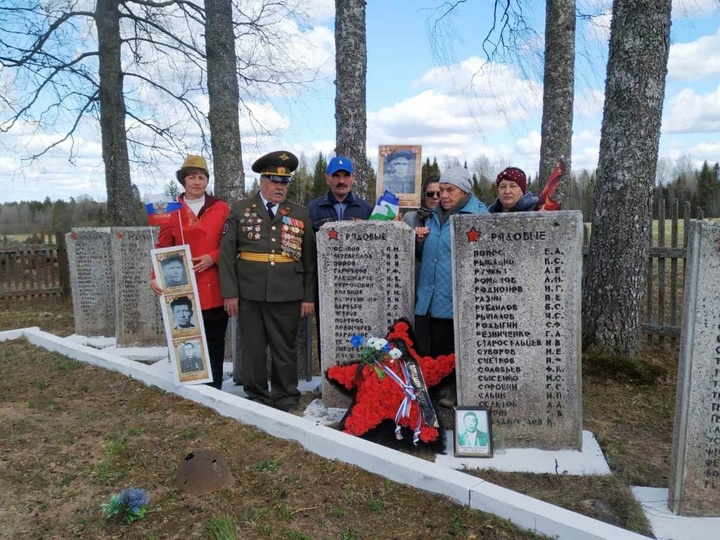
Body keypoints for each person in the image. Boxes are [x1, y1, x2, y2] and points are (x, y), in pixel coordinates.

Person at [219, 150, 316, 413]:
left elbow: (309, 259)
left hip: (287, 292)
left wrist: (308, 297)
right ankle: (257, 395)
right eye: (274, 181)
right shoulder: (240, 210)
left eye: (284, 182)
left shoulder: (300, 213)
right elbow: (227, 255)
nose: (279, 187)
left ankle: (286, 395)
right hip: (249, 292)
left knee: (285, 347)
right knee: (252, 348)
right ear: (262, 181)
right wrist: (230, 293)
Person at [150, 154, 230, 391]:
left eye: (202, 177)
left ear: (207, 181)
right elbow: (163, 246)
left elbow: (230, 243)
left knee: (215, 340)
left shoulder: (221, 208)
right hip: (182, 288)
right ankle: (194, 388)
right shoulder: (171, 211)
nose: (197, 182)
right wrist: (154, 275)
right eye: (192, 177)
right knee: (189, 339)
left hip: (214, 286)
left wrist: (212, 257)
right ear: (183, 181)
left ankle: (215, 389)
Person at [414, 167, 489, 407]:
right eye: (441, 190)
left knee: (453, 347)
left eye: (450, 190)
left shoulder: (479, 216)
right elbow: (426, 254)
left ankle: (455, 390)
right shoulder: (434, 216)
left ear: (465, 190)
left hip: (457, 296)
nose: (443, 195)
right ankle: (437, 388)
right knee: (434, 346)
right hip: (431, 293)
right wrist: (419, 242)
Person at [403, 174, 441, 355]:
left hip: (441, 290)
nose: (434, 197)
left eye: (438, 193)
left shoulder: (449, 219)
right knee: (419, 340)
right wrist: (413, 240)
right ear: (423, 196)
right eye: (430, 194)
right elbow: (401, 252)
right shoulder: (409, 218)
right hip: (416, 287)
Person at [307, 155, 372, 231]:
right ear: (327, 179)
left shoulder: (366, 209)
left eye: (346, 176)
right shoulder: (312, 209)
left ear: (353, 178)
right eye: (336, 176)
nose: (341, 181)